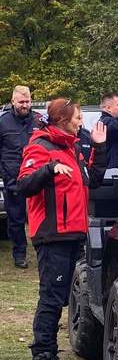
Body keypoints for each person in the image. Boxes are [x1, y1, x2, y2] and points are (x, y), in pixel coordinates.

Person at [17, 98, 107, 360]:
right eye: (78, 117)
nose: (81, 121)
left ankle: (50, 355)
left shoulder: (71, 149)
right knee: (51, 298)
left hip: (73, 233)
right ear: (61, 119)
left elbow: (91, 180)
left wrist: (99, 147)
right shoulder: (41, 147)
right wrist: (48, 169)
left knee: (60, 299)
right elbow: (24, 185)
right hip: (52, 235)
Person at [0, 85, 42, 268]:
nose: (25, 105)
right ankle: (19, 253)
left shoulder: (39, 121)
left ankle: (43, 249)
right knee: (15, 218)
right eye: (21, 102)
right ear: (13, 102)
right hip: (13, 175)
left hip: (37, 175)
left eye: (28, 101)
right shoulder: (3, 123)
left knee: (41, 215)